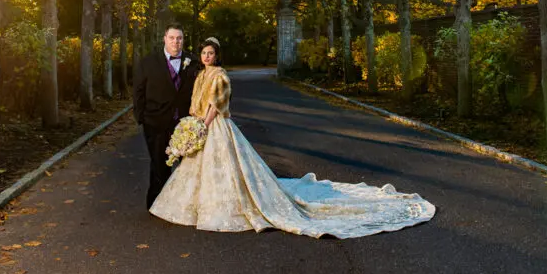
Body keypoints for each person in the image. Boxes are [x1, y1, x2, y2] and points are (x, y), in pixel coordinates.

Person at [150, 37, 436, 238]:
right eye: (204, 53)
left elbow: (215, 103)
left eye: (211, 54)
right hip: (200, 122)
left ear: (217, 56)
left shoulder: (220, 76)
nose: (207, 57)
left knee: (229, 171)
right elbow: (196, 101)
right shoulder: (201, 74)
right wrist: (192, 120)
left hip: (215, 126)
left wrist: (203, 125)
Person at [132, 23, 197, 209]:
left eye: (179, 38)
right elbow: (138, 92)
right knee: (159, 165)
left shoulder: (193, 62)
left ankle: (185, 206)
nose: (176, 42)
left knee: (188, 166)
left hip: (186, 124)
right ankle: (157, 204)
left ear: (183, 40)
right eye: (172, 38)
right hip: (156, 122)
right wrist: (141, 117)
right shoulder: (148, 63)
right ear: (165, 39)